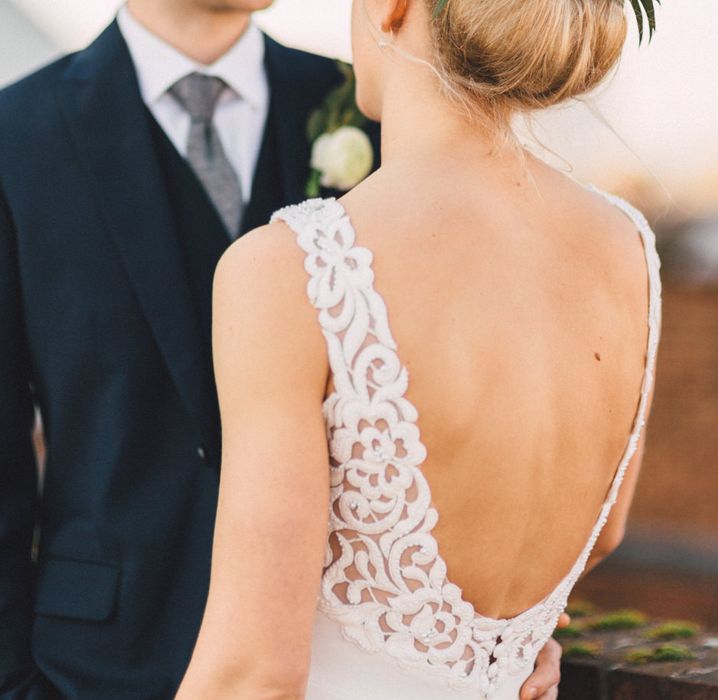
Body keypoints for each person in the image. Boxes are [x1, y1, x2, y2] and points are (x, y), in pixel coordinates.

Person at [0, 0, 563, 698]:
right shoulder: (16, 136)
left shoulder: (370, 99)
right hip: (96, 664)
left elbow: (468, 380)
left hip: (334, 657)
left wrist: (494, 621)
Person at [175, 0, 662, 698]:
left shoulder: (291, 268)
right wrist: (496, 649)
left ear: (390, 6)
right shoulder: (628, 249)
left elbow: (252, 675)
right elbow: (605, 534)